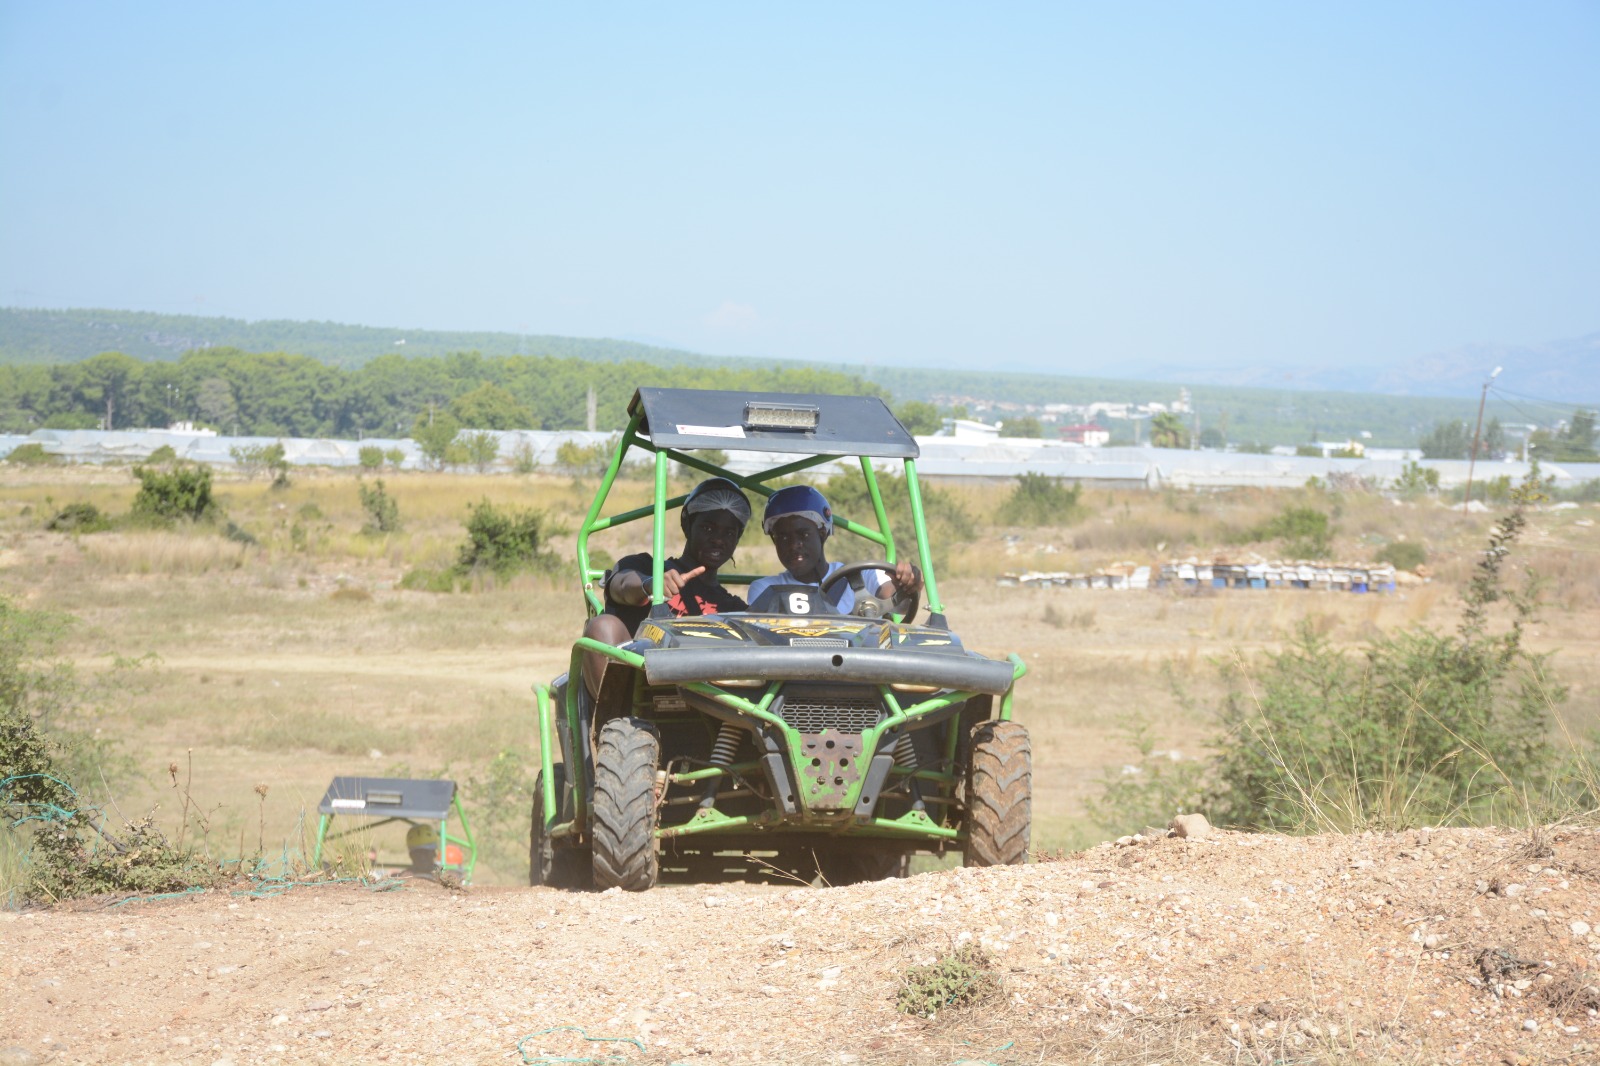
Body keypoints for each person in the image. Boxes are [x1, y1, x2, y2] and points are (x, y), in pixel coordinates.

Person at [581, 477, 751, 697]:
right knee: (603, 625)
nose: (718, 540)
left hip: (709, 703)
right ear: (688, 526)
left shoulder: (733, 607)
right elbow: (621, 585)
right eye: (708, 528)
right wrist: (651, 585)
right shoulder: (647, 567)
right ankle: (612, 724)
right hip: (639, 697)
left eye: (729, 533)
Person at [746, 485, 922, 615]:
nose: (793, 545)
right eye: (783, 537)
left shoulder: (863, 576)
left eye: (803, 534)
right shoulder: (765, 589)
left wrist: (906, 587)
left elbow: (898, 603)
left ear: (822, 533)